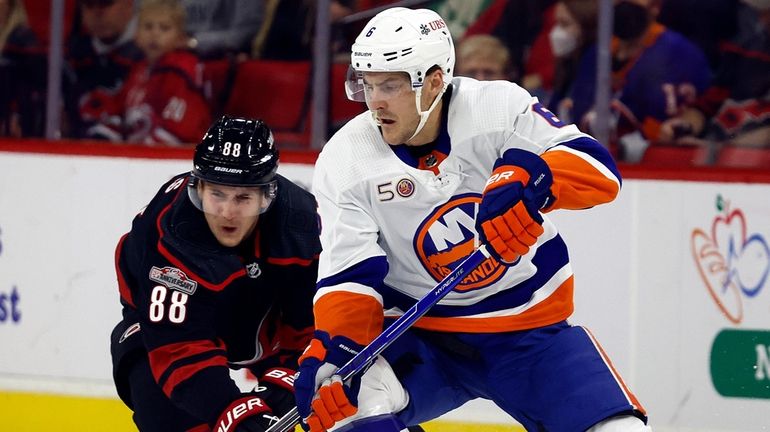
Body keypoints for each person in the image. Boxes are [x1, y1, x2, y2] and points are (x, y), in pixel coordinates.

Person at [294, 6, 650, 432]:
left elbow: (600, 170)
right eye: (367, 85)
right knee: (344, 399)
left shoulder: (496, 108)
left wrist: (532, 177)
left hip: (529, 332)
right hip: (421, 337)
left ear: (435, 81)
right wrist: (336, 350)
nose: (376, 103)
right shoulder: (345, 158)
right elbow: (349, 276)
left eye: (390, 85)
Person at [109, 115, 321, 431]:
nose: (227, 212)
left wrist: (291, 378)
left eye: (243, 197)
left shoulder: (300, 226)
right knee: (161, 409)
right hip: (160, 327)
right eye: (217, 194)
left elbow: (313, 323)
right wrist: (231, 411)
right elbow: (178, 348)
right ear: (199, 188)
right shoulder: (174, 232)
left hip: (265, 323)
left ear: (267, 195)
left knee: (337, 402)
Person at [568, 0, 711, 162]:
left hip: (651, 164)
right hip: (592, 160)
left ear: (655, 7)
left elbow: (697, 113)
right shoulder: (597, 52)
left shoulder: (681, 54)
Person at [81, 0, 210, 144]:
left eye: (165, 28)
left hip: (174, 159)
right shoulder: (139, 70)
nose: (155, 34)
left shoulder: (180, 71)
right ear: (136, 34)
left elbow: (178, 132)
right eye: (148, 27)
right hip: (141, 155)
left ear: (180, 39)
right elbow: (119, 111)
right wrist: (102, 135)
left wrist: (134, 154)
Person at [659, 0, 770, 150]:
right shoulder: (743, 50)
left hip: (743, 160)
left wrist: (718, 151)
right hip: (710, 155)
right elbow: (706, 106)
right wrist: (685, 125)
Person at [63, 0, 143, 139]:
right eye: (90, 5)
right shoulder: (72, 54)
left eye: (106, 4)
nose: (98, 13)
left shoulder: (150, 55)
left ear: (129, 5)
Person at [547, 0, 599, 122]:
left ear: (586, 26)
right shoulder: (568, 61)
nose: (557, 32)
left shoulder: (593, 60)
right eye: (557, 23)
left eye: (565, 24)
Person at [0, 0, 46, 137]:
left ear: (11, 4)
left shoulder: (22, 41)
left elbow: (36, 87)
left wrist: (16, 115)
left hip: (13, 132)